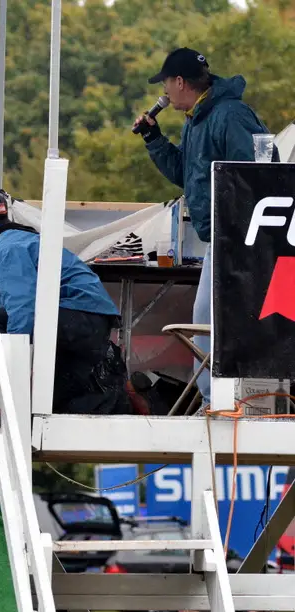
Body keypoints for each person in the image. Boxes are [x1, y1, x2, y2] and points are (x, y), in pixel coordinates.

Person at [134, 47, 276, 409]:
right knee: (209, 319)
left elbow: (256, 175)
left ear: (180, 82)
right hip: (223, 237)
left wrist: (242, 233)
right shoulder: (198, 119)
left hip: (238, 239)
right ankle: (218, 399)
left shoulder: (229, 115)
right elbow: (186, 174)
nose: (163, 93)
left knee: (208, 319)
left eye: (166, 83)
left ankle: (218, 401)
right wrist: (154, 139)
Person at [0, 189, 131, 416]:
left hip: (76, 317)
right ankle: (121, 401)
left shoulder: (6, 248)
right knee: (54, 405)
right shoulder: (21, 241)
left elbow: (22, 311)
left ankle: (15, 398)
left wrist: (20, 375)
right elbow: (9, 304)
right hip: (89, 321)